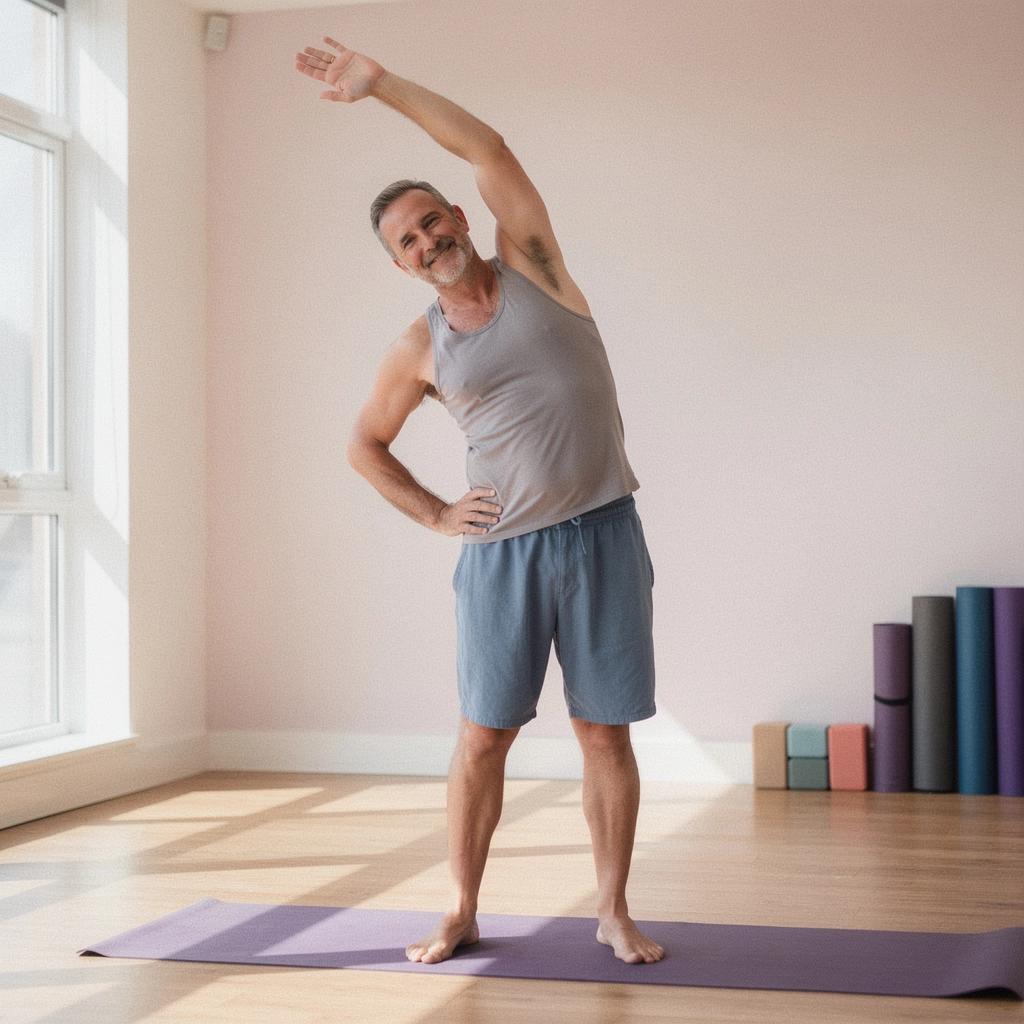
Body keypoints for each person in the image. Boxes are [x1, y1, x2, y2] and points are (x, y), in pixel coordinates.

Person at [294, 37, 664, 966]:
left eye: (432, 221)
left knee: (603, 731)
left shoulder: (537, 266)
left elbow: (491, 149)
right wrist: (431, 513)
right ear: (403, 265)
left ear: (460, 215)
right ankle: (459, 908)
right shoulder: (419, 350)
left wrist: (380, 87)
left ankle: (612, 909)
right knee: (483, 737)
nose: (428, 242)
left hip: (604, 534)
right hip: (504, 557)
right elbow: (362, 446)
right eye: (408, 243)